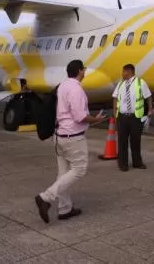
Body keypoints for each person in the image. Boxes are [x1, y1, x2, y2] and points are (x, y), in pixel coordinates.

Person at [35, 60, 106, 223]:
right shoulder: (76, 89)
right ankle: (45, 197)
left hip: (59, 136)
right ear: (80, 71)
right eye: (84, 69)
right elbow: (80, 116)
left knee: (63, 174)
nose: (85, 72)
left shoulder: (63, 86)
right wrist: (96, 119)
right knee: (79, 169)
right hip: (73, 137)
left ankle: (65, 209)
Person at [112, 63, 153, 171]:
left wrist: (150, 109)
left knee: (135, 140)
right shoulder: (120, 83)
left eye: (123, 71)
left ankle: (137, 162)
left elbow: (148, 96)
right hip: (122, 117)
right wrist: (115, 113)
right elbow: (115, 98)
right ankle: (123, 164)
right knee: (122, 141)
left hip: (135, 117)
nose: (122, 74)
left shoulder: (140, 83)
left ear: (129, 71)